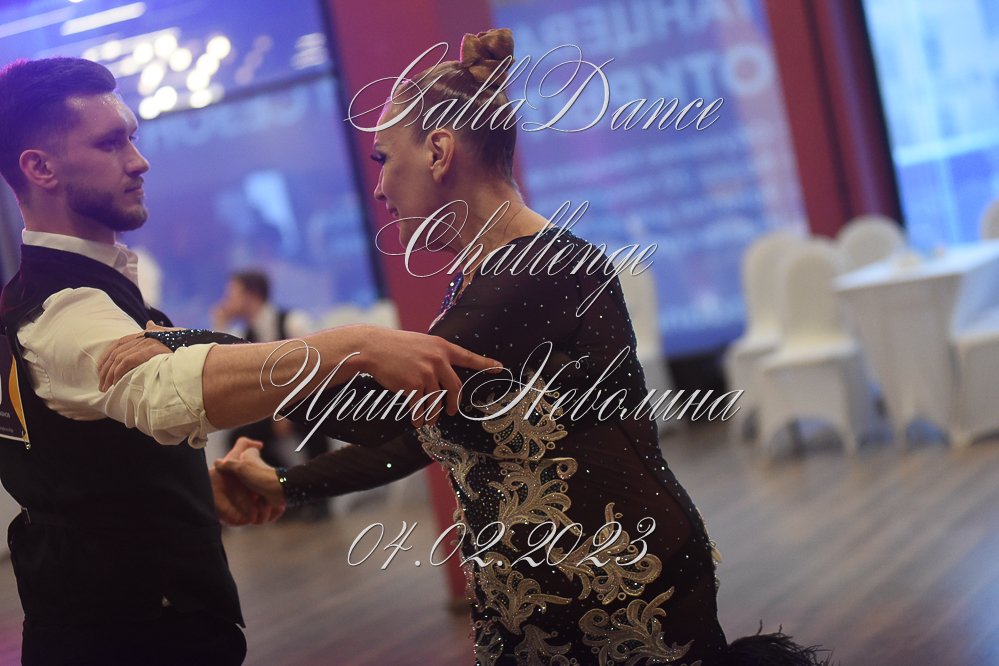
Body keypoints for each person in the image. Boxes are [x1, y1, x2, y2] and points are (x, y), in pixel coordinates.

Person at [105, 30, 828, 665]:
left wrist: (177, 340)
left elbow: (380, 414)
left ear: (440, 151)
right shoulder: (485, 275)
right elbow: (423, 433)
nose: (379, 186)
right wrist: (290, 485)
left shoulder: (537, 271)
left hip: (613, 584)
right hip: (536, 585)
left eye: (385, 158)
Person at [0, 57, 500, 666]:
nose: (139, 160)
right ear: (40, 167)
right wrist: (356, 346)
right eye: (110, 143)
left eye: (131, 136)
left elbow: (418, 427)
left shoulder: (72, 297)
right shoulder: (61, 309)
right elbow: (160, 389)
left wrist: (183, 485)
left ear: (444, 153)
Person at [214, 269, 333, 520]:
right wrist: (220, 326)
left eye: (232, 294)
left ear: (252, 295)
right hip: (274, 411)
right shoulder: (245, 335)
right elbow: (229, 372)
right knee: (240, 439)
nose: (227, 301)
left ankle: (322, 500)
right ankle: (287, 493)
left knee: (315, 425)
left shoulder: (292, 321)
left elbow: (313, 370)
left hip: (307, 402)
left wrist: (286, 412)